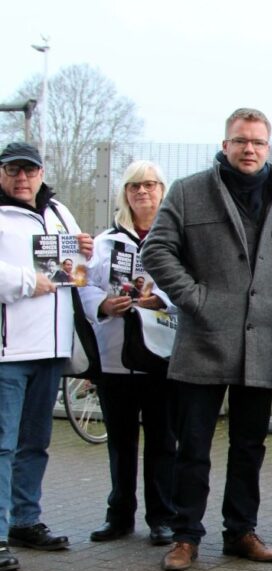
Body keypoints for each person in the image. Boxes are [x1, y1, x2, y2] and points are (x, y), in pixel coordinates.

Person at [142, 108, 272, 571]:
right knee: (192, 445)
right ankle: (185, 535)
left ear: (268, 148)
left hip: (261, 341)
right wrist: (195, 299)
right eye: (240, 141)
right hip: (203, 340)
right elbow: (156, 248)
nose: (249, 149)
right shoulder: (190, 192)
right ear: (225, 144)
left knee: (250, 445)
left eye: (257, 142)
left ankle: (242, 531)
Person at [0, 142, 93, 571]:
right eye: (13, 170)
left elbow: (74, 267)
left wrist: (83, 253)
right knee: (3, 445)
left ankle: (25, 519)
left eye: (29, 171)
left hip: (51, 348)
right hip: (9, 350)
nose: (22, 178)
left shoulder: (57, 210)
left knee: (35, 442)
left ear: (41, 173)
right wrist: (26, 280)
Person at [81, 161, 178, 546]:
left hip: (160, 355)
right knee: (120, 442)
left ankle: (162, 518)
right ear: (125, 193)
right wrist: (104, 304)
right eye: (134, 186)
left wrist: (162, 300)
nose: (142, 192)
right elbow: (84, 285)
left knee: (162, 440)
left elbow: (188, 283)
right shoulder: (105, 242)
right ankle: (119, 516)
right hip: (115, 358)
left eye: (150, 185)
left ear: (161, 190)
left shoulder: (175, 240)